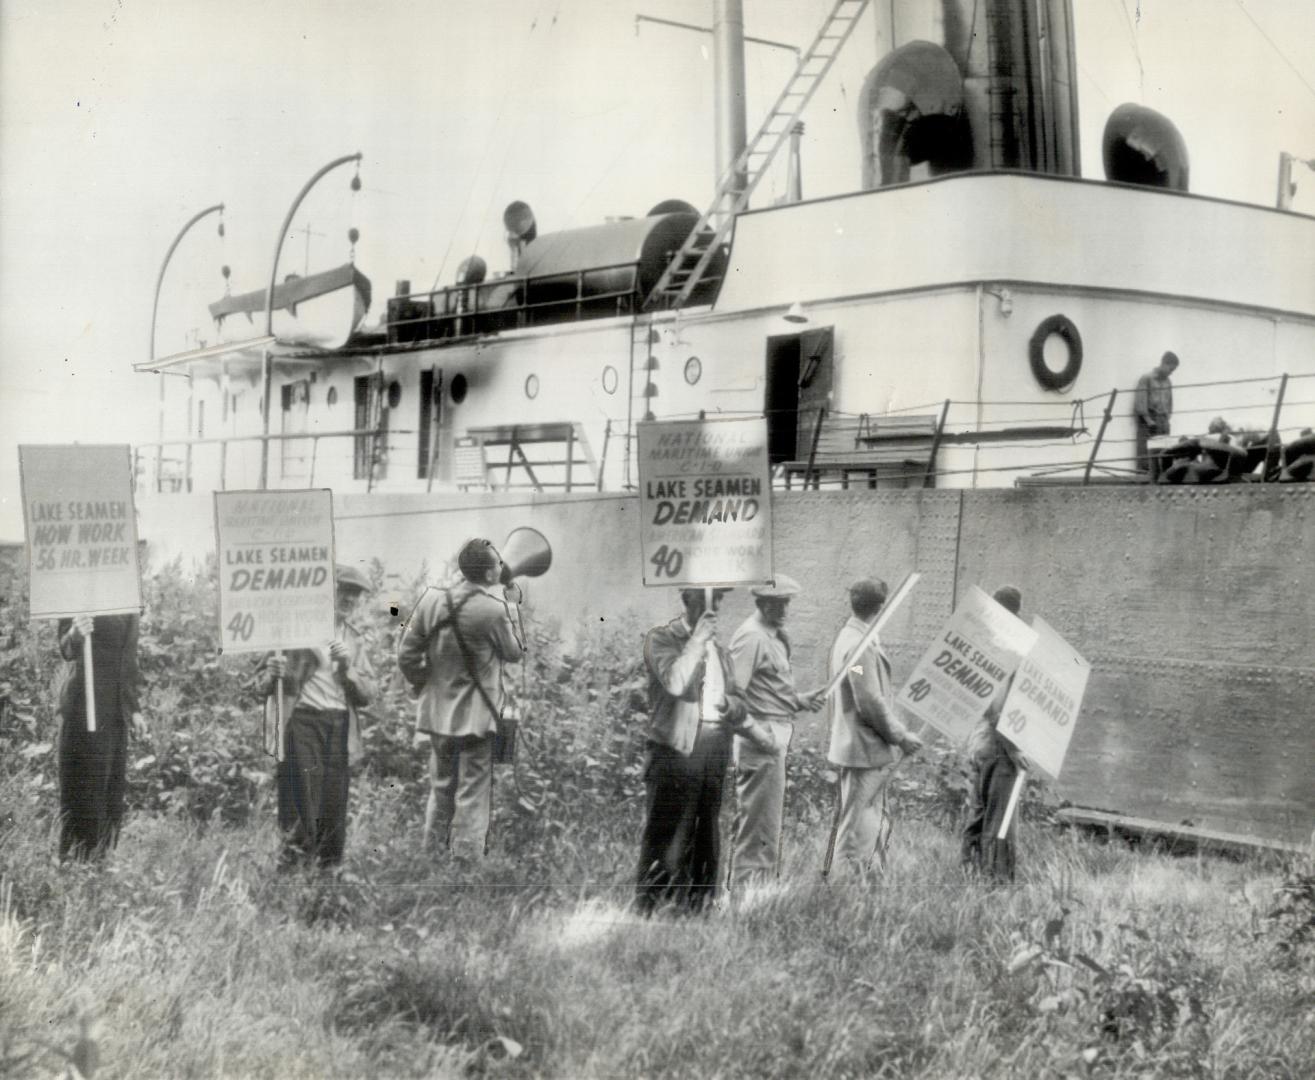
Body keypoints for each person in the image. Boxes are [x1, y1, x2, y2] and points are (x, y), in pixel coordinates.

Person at [398, 538, 524, 860]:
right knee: (473, 791)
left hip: (437, 715)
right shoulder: (494, 610)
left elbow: (406, 654)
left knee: (441, 787)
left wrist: (423, 684)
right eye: (497, 564)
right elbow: (514, 653)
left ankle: (432, 855)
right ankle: (466, 862)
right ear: (488, 575)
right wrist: (512, 606)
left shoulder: (429, 601)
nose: (501, 567)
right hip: (477, 718)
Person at [635, 587, 748, 915]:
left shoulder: (722, 653)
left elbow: (740, 701)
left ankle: (699, 906)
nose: (712, 608)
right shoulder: (662, 639)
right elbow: (675, 682)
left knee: (706, 828)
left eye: (717, 600)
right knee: (666, 830)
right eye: (704, 600)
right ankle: (652, 909)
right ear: (688, 601)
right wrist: (697, 641)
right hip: (674, 750)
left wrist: (730, 704)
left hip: (713, 747)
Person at [259, 565, 377, 870]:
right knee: (300, 801)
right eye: (343, 593)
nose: (348, 601)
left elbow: (367, 694)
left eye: (355, 596)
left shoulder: (354, 639)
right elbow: (258, 684)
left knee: (333, 804)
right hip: (302, 722)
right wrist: (273, 674)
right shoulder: (296, 631)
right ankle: (292, 875)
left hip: (339, 726)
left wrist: (348, 666)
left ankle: (328, 878)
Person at [727, 575, 826, 890]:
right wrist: (759, 736)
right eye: (777, 603)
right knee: (757, 827)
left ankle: (760, 892)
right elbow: (730, 700)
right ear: (761, 603)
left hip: (772, 736)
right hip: (760, 741)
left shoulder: (773, 634)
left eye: (787, 603)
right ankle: (747, 898)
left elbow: (767, 688)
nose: (784, 609)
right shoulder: (751, 637)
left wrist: (800, 700)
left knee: (766, 826)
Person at [823, 579, 923, 879]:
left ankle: (866, 883)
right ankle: (847, 892)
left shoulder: (851, 638)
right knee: (858, 828)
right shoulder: (859, 645)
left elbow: (865, 694)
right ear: (881, 607)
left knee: (865, 821)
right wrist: (901, 736)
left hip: (861, 748)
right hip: (864, 749)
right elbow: (869, 699)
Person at [54, 612, 146, 861]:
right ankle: (75, 869)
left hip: (115, 712)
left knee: (109, 794)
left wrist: (134, 708)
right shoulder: (84, 591)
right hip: (84, 708)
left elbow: (129, 659)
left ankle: (100, 867)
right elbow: (66, 648)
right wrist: (75, 632)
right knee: (83, 793)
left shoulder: (129, 602)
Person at [961, 585, 1029, 883]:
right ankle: (996, 881)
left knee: (979, 813)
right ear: (1015, 614)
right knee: (999, 818)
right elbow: (998, 709)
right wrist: (1014, 749)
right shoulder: (1008, 649)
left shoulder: (983, 643)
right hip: (999, 747)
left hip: (980, 743)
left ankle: (969, 874)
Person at [1133, 350, 1179, 476]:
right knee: (1146, 459)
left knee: (1164, 456)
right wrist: (1149, 421)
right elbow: (1140, 403)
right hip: (1149, 422)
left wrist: (1167, 420)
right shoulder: (1147, 379)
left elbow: (1170, 403)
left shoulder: (1168, 382)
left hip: (1163, 422)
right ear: (1164, 363)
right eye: (1170, 369)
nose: (1171, 373)